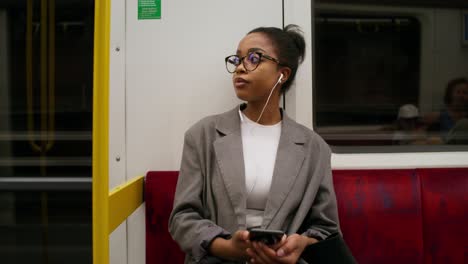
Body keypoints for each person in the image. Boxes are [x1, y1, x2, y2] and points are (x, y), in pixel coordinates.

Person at [169, 25, 341, 264]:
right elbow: (182, 217)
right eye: (237, 59)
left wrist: (299, 244)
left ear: (283, 74)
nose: (240, 67)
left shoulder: (314, 148)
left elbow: (326, 228)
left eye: (253, 58)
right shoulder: (203, 135)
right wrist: (227, 247)